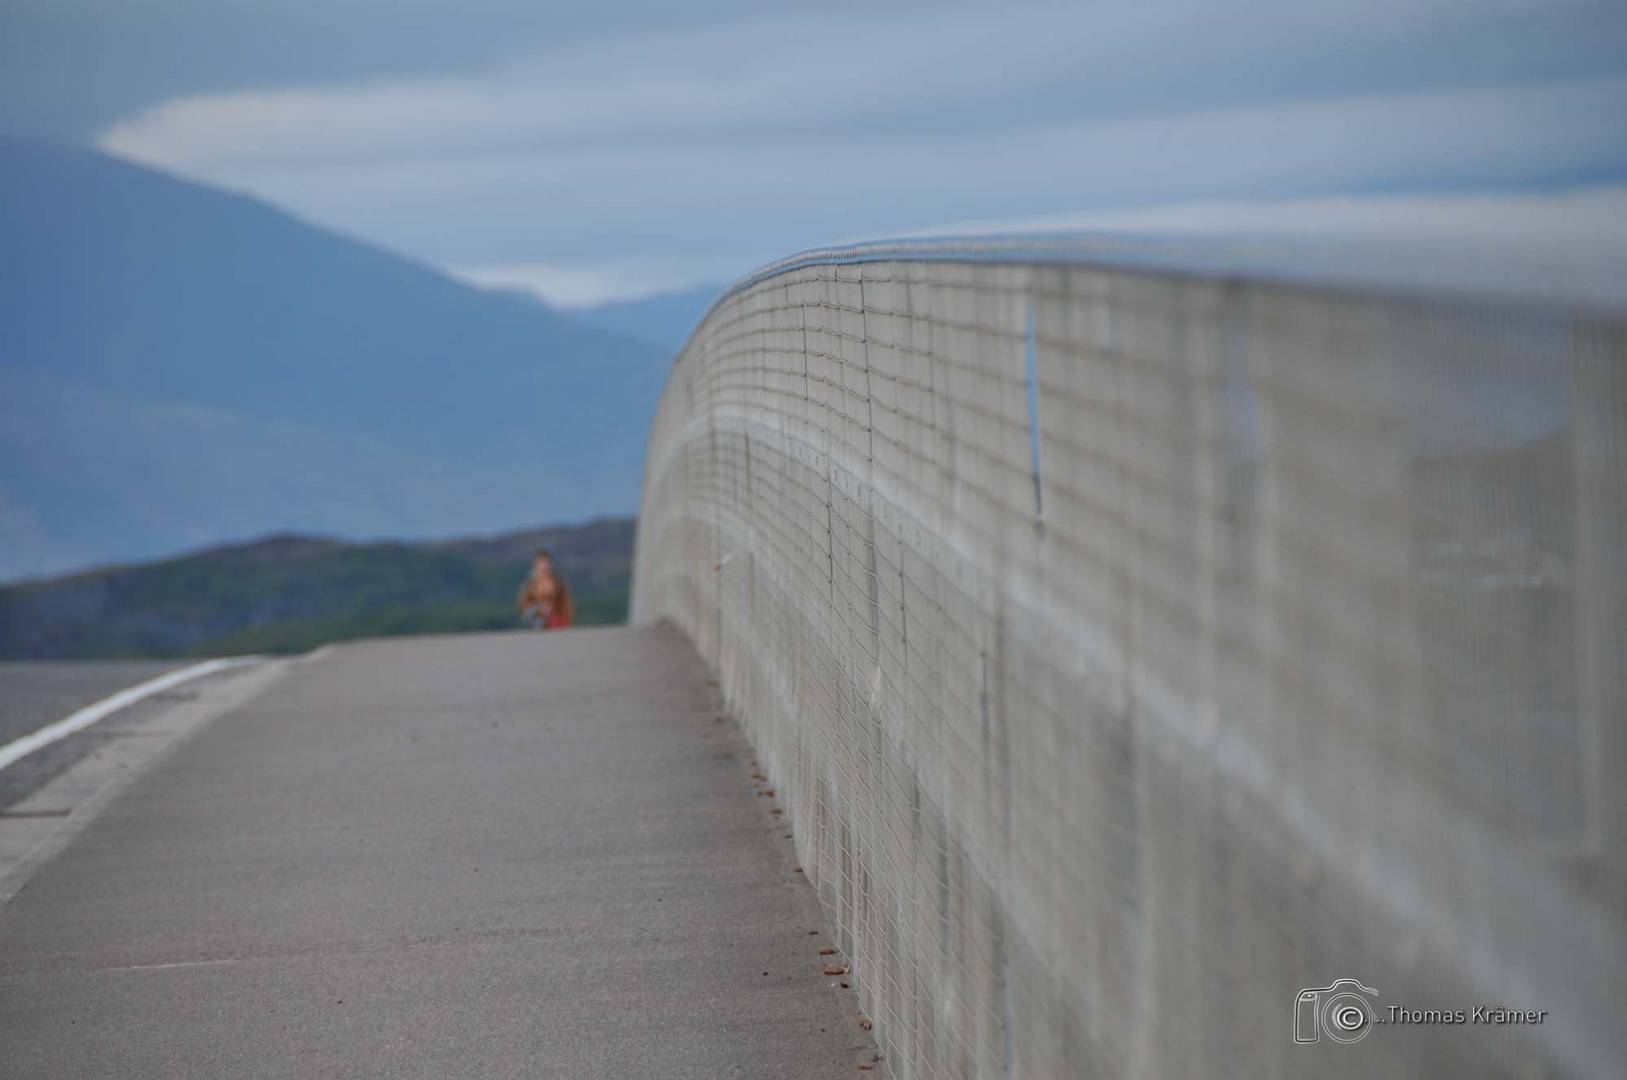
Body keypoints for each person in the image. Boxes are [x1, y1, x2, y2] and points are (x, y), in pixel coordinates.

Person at [517, 549, 575, 630]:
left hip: (557, 618)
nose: (544, 566)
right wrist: (539, 609)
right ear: (536, 565)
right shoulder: (530, 583)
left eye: (546, 563)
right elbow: (523, 603)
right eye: (541, 563)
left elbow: (566, 602)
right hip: (537, 618)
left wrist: (568, 617)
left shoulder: (558, 581)